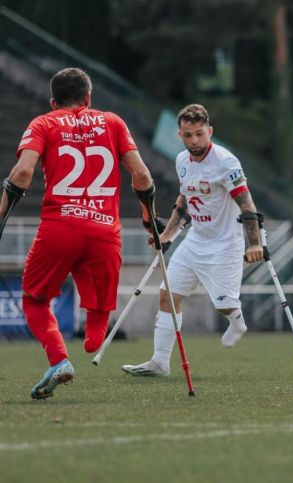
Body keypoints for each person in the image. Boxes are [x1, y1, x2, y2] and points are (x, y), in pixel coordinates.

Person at [0, 68, 155, 399]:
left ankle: (59, 359)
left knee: (34, 299)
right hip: (104, 232)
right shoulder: (113, 122)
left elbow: (23, 172)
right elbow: (141, 175)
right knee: (99, 304)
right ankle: (94, 337)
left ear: (53, 102)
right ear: (88, 97)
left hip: (60, 228)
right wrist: (148, 219)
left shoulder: (43, 123)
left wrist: (1, 213)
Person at [122, 104, 264, 377]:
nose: (195, 141)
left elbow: (246, 203)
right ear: (180, 135)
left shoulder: (226, 162)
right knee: (168, 295)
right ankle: (160, 362)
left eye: (200, 134)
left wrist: (254, 243)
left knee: (223, 305)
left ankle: (237, 321)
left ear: (209, 131)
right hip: (195, 240)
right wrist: (168, 235)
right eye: (188, 135)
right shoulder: (181, 162)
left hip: (225, 243)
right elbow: (185, 200)